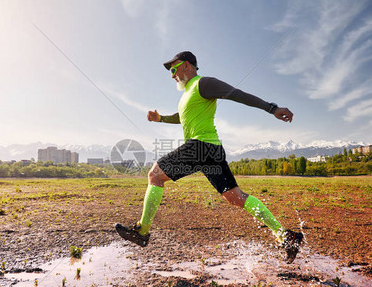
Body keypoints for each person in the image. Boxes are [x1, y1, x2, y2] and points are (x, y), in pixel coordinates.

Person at [115, 51, 303, 263]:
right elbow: (182, 117)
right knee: (236, 197)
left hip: (201, 146)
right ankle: (285, 236)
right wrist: (161, 119)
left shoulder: (203, 83)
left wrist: (272, 108)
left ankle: (142, 232)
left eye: (174, 69)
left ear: (187, 65)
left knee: (155, 175)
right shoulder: (188, 94)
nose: (172, 75)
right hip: (212, 150)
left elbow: (236, 94)